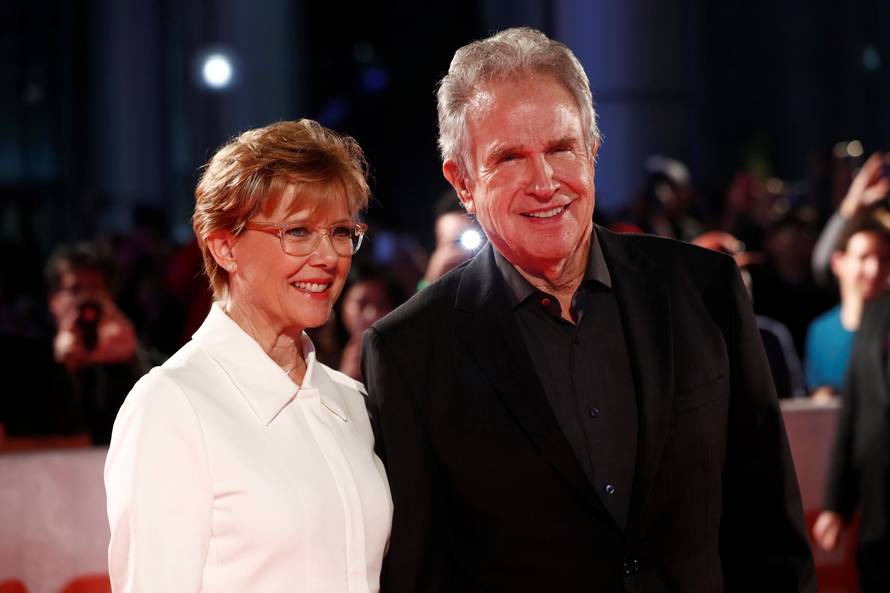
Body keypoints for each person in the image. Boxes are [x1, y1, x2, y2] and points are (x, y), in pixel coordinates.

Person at [361, 27, 815, 592]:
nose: (545, 182)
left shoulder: (706, 289)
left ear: (593, 151)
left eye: (560, 148)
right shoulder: (410, 351)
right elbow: (420, 574)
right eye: (509, 158)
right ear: (463, 182)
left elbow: (769, 527)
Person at [105, 120, 392, 593]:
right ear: (224, 246)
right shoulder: (171, 405)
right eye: (298, 231)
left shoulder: (351, 402)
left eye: (341, 232)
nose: (329, 257)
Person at [805, 208, 890, 397]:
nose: (874, 269)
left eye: (884, 259)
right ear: (838, 262)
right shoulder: (820, 331)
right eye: (863, 257)